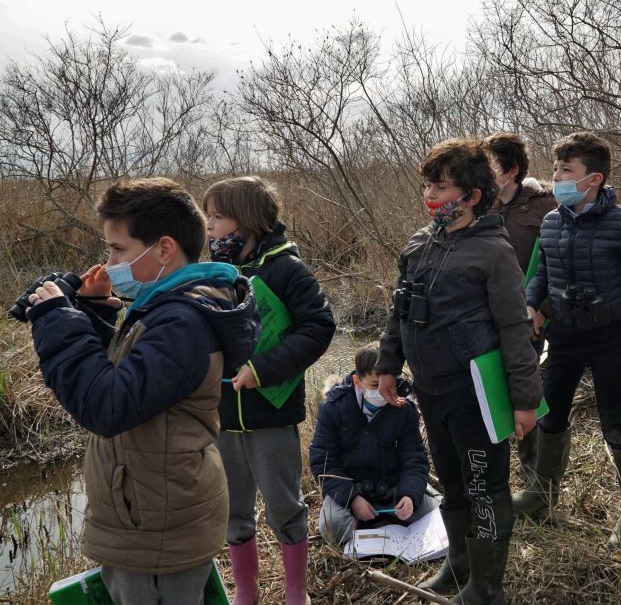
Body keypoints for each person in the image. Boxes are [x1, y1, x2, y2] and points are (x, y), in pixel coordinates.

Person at [25, 178, 259, 605]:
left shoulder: (182, 323)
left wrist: (58, 321)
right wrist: (92, 311)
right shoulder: (167, 306)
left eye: (118, 250)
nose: (108, 261)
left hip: (158, 535)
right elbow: (123, 379)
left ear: (164, 250)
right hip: (152, 517)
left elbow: (107, 406)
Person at [376, 138, 543, 604]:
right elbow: (400, 311)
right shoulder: (419, 244)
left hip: (476, 393)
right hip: (432, 389)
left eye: (442, 187)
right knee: (451, 483)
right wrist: (389, 364)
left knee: (484, 487)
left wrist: (525, 399)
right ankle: (459, 565)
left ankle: (487, 587)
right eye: (428, 184)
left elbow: (515, 327)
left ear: (471, 196)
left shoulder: (493, 251)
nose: (431, 194)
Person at [518, 131, 621, 546]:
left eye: (566, 171)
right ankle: (542, 495)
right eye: (555, 169)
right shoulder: (551, 222)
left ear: (594, 179)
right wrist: (532, 304)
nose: (556, 178)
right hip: (563, 337)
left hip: (609, 337)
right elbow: (541, 274)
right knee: (549, 415)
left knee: (616, 424)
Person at [203, 177, 336, 605]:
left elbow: (318, 327)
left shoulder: (286, 268)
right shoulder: (211, 275)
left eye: (217, 217)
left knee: (284, 506)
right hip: (222, 416)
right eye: (207, 216)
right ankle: (246, 590)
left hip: (272, 415)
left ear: (248, 221)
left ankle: (297, 591)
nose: (208, 226)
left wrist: (262, 370)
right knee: (233, 511)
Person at [309, 343, 436, 546]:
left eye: (389, 384)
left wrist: (409, 495)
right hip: (350, 488)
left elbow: (414, 458)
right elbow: (322, 462)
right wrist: (352, 498)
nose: (385, 392)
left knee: (434, 515)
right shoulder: (334, 407)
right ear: (357, 381)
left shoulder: (404, 408)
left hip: (392, 486)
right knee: (333, 528)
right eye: (375, 386)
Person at [483, 132, 557, 479]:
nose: (484, 173)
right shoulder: (482, 205)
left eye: (491, 166)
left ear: (511, 170)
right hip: (485, 317)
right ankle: (495, 474)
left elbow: (558, 265)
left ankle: (534, 480)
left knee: (527, 391)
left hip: (530, 318)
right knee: (490, 391)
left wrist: (541, 307)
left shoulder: (545, 204)